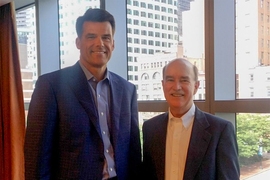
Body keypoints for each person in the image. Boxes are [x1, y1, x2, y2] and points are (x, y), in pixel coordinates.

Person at [24, 8, 141, 180]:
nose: (99, 43)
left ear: (113, 44)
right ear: (78, 42)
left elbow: (133, 153)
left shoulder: (127, 90)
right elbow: (37, 155)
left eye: (106, 37)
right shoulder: (50, 86)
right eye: (91, 37)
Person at [142, 58, 240, 180]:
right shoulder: (150, 129)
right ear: (163, 85)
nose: (177, 87)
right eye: (170, 80)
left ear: (196, 86)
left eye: (184, 80)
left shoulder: (220, 130)